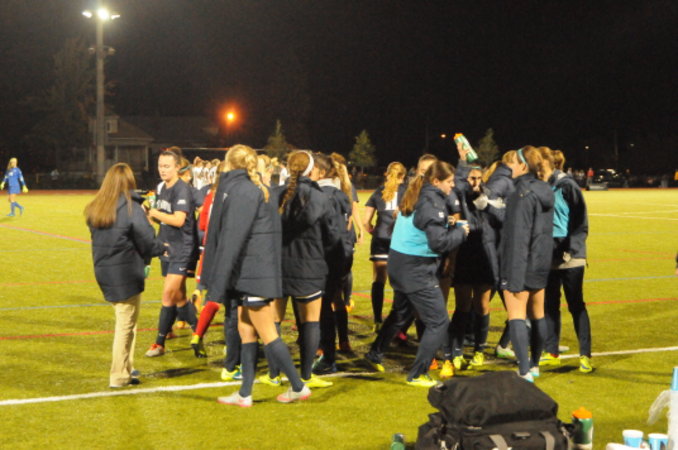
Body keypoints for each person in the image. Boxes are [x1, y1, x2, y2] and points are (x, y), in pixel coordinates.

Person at [200, 144, 310, 406]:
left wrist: (217, 282)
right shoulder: (254, 188)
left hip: (253, 274)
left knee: (267, 333)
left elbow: (232, 238)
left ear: (229, 164)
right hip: (249, 273)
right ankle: (245, 393)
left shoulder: (243, 191)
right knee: (245, 330)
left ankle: (298, 386)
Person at [365, 160, 469, 387]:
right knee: (439, 322)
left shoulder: (416, 194)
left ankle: (375, 353)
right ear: (436, 181)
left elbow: (421, 223)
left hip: (399, 262)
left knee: (401, 312)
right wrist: (461, 232)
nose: (452, 186)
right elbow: (439, 243)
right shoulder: (432, 202)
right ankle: (418, 373)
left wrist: (448, 222)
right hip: (415, 268)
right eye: (449, 181)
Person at [260, 150, 341, 389]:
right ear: (311, 170)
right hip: (310, 267)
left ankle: (273, 374)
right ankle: (306, 375)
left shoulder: (274, 194)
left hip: (277, 267)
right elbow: (332, 237)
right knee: (310, 321)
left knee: (274, 321)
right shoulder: (321, 198)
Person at [84, 163, 166, 388]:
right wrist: (161, 248)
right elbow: (146, 239)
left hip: (104, 270)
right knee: (125, 324)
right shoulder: (131, 207)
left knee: (128, 321)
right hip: (125, 272)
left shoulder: (97, 207)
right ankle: (119, 375)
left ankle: (127, 367)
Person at [499, 146, 554, 382]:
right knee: (538, 313)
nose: (510, 167)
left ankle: (524, 371)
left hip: (520, 262)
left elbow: (518, 237)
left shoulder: (520, 193)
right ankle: (535, 365)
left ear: (523, 166)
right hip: (541, 261)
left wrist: (514, 274)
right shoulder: (545, 189)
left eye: (513, 162)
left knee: (517, 315)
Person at [538, 147, 593, 373]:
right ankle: (551, 352)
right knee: (550, 305)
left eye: (540, 165)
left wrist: (571, 248)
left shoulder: (567, 186)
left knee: (576, 305)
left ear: (550, 164)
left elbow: (580, 222)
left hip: (571, 257)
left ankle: (585, 355)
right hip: (549, 254)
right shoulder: (542, 185)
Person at [145, 148, 199, 357]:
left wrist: (155, 213)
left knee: (168, 294)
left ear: (177, 167)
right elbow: (162, 218)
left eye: (167, 166)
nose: (162, 170)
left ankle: (159, 343)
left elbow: (178, 219)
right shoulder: (162, 188)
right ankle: (198, 331)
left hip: (182, 249)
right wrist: (149, 216)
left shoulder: (182, 189)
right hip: (166, 247)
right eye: (160, 166)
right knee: (179, 297)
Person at [441, 167, 495, 377]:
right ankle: (457, 351)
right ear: (465, 179)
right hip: (464, 255)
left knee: (482, 305)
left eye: (479, 178)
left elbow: (496, 219)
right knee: (462, 304)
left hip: (483, 256)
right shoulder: (458, 196)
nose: (476, 182)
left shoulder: (487, 196)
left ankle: (479, 350)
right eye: (472, 178)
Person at [363, 162, 407, 332]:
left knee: (379, 280)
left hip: (381, 238)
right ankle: (397, 321)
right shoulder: (407, 192)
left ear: (387, 174)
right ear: (402, 176)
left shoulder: (378, 191)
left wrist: (373, 230)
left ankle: (377, 320)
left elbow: (366, 221)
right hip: (400, 239)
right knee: (399, 282)